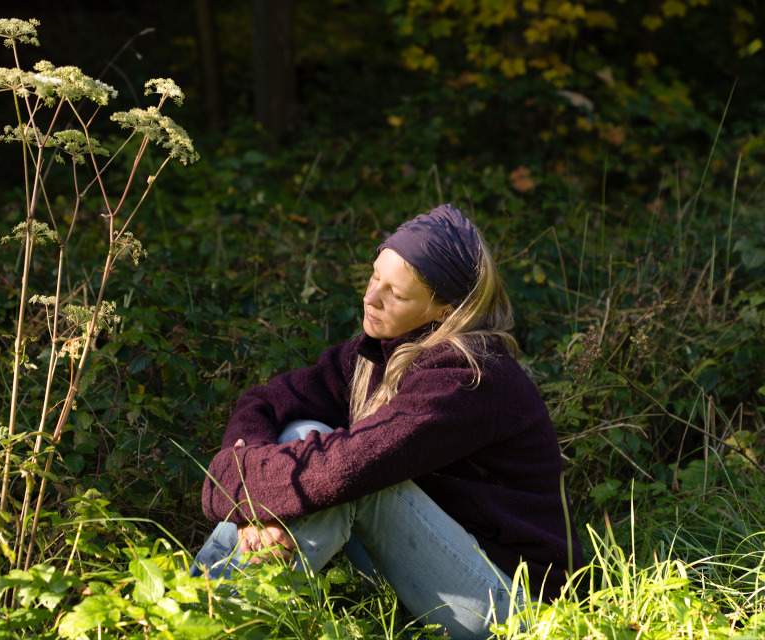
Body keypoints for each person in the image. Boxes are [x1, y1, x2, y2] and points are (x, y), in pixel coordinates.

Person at [191, 204, 583, 640]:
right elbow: (266, 401)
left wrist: (236, 485)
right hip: (433, 574)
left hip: (511, 606)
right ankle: (197, 606)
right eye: (375, 277)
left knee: (353, 481)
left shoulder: (469, 377)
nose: (371, 297)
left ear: (444, 310)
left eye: (395, 293)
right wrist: (251, 506)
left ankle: (204, 622)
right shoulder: (375, 352)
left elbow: (346, 469)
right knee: (301, 435)